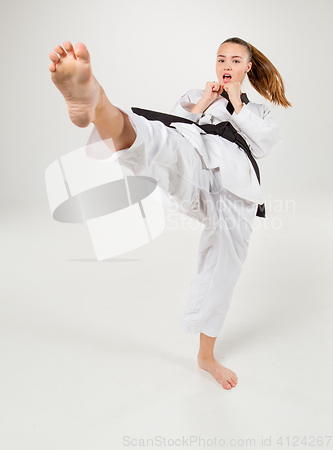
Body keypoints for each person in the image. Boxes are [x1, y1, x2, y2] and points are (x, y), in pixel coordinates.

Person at [48, 37, 291, 390]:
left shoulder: (259, 111)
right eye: (221, 59)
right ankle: (96, 103)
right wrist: (205, 102)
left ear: (247, 67)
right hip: (197, 159)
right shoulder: (197, 94)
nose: (227, 65)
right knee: (161, 143)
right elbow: (179, 125)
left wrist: (236, 102)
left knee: (223, 268)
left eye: (235, 61)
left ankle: (206, 356)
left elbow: (263, 143)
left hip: (237, 189)